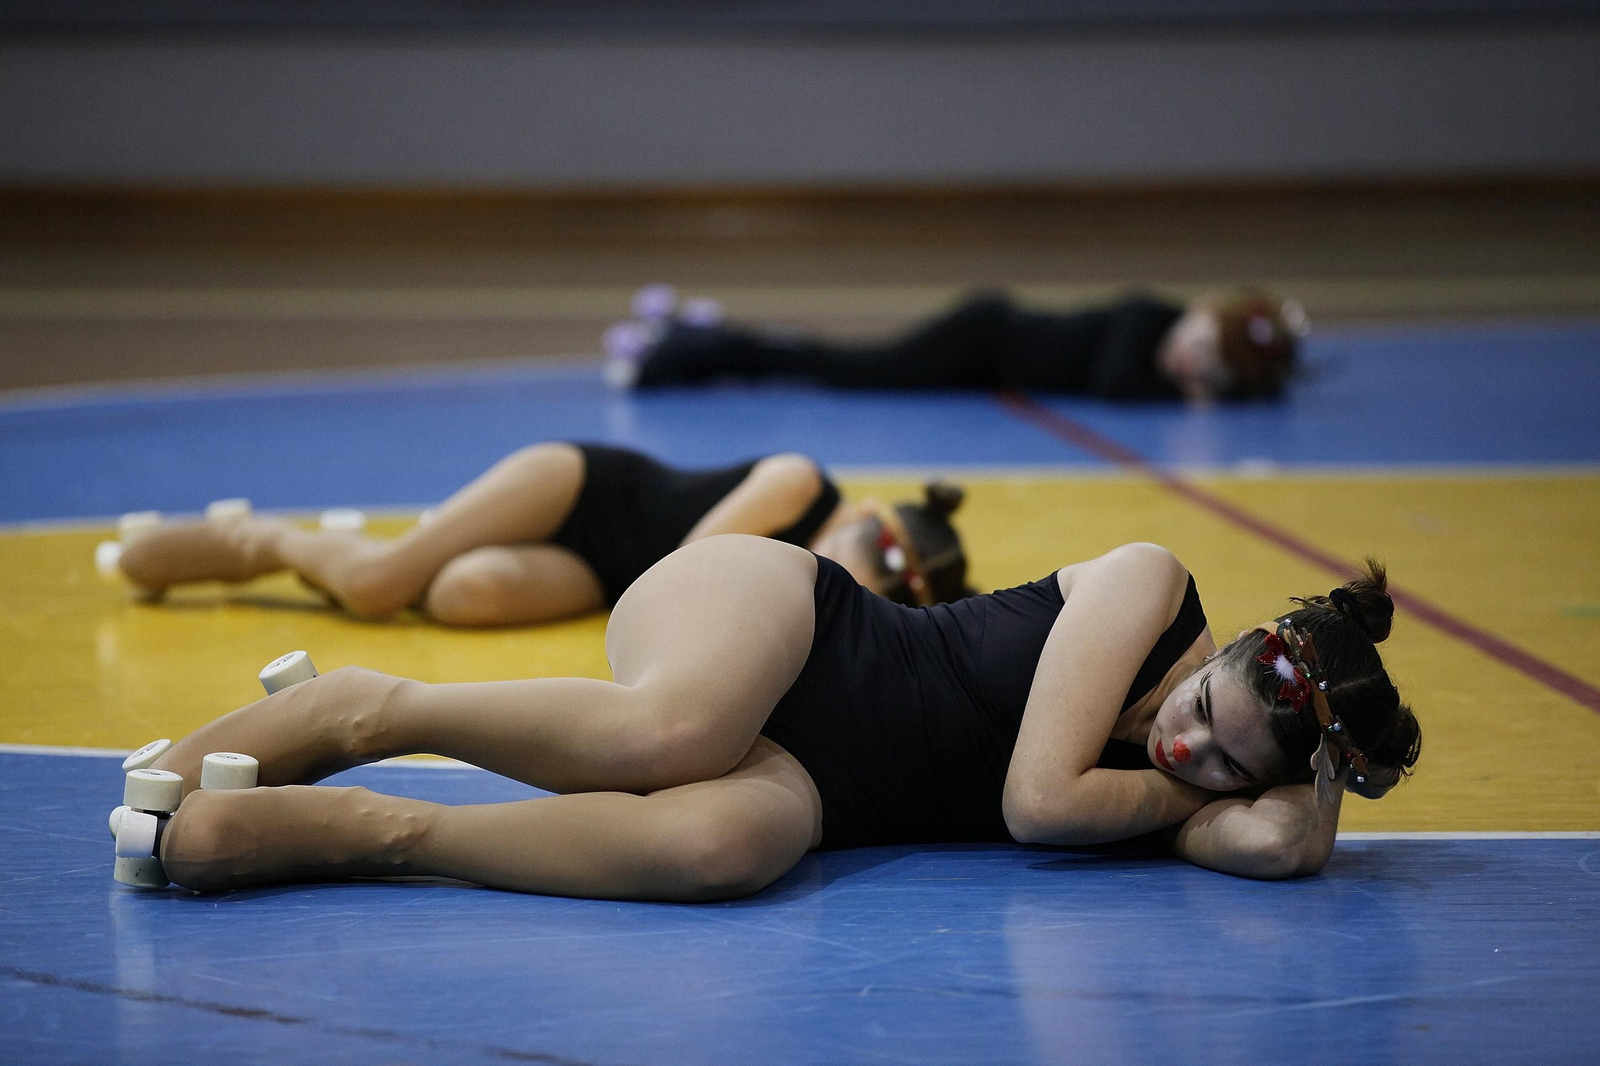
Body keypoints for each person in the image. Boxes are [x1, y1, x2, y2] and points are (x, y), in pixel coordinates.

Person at [143, 535, 1419, 899]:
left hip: (817, 783)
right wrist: (1199, 796)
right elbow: (1041, 805)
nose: (1185, 748)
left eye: (1223, 761)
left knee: (717, 851)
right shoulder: (1151, 586)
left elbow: (1227, 838)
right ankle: (366, 707)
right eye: (1199, 711)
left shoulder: (1185, 795)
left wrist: (1287, 829)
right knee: (671, 740)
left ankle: (375, 829)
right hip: (783, 617)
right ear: (1223, 646)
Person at [109, 443, 973, 625]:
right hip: (577, 489)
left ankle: (361, 558)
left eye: (899, 591)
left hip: (603, 574)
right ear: (869, 515)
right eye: (888, 558)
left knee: (460, 596)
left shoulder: (812, 586)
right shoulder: (802, 483)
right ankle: (263, 539)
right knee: (378, 589)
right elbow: (692, 567)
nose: (879, 582)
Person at [604, 286, 1307, 403]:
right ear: (1197, 311)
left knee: (842, 367)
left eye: (1207, 369)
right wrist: (1191, 394)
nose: (1189, 361)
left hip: (983, 358)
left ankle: (699, 336)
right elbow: (1117, 382)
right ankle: (688, 346)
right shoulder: (1146, 314)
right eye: (1197, 342)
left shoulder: (1162, 338)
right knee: (845, 369)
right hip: (981, 339)